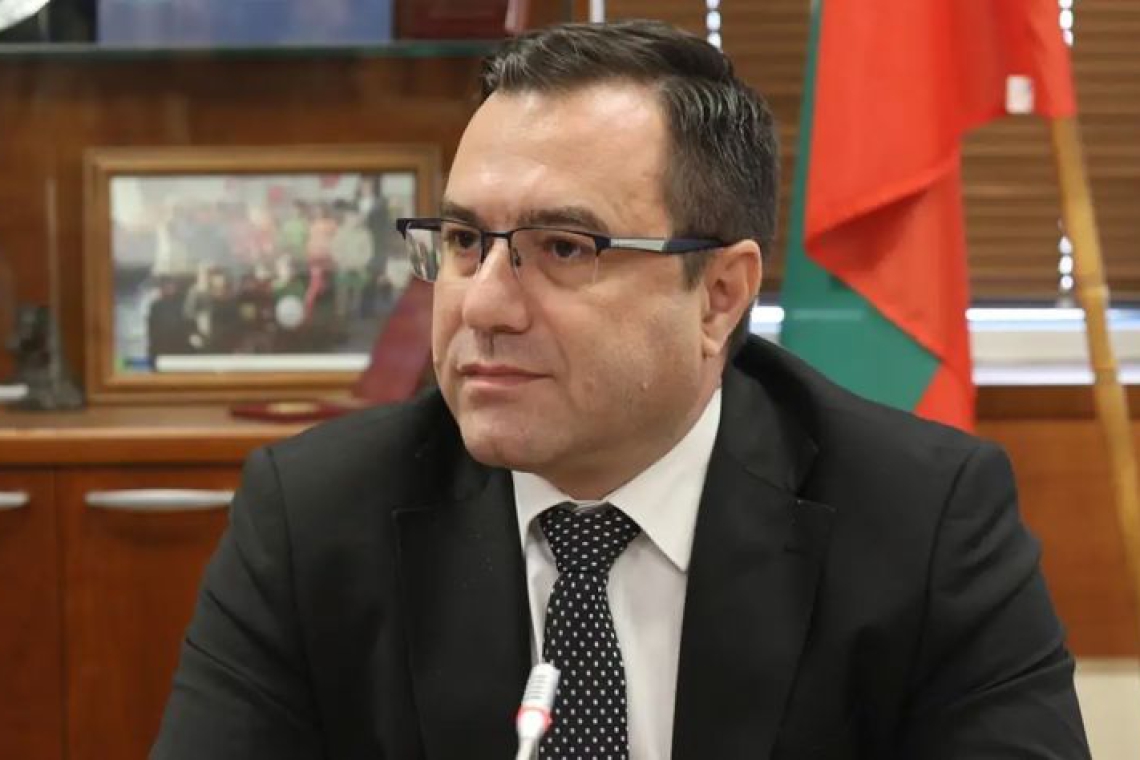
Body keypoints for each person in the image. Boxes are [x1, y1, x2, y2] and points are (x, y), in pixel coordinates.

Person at [152, 20, 1090, 760]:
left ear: (719, 296)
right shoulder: (314, 519)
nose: (484, 304)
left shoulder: (923, 519)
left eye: (565, 248)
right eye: (467, 241)